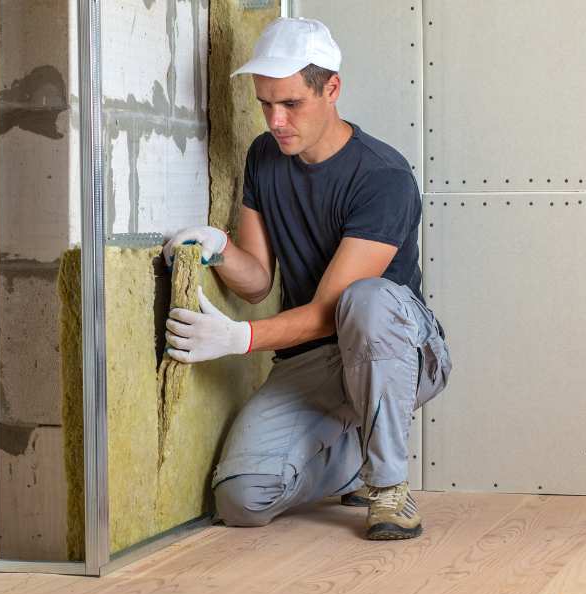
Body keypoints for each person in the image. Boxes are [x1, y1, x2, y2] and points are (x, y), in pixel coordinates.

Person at [162, 17, 452, 540]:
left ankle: (388, 491)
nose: (275, 120)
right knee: (241, 498)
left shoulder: (382, 177)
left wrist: (238, 337)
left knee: (364, 301)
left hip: (397, 347)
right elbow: (255, 283)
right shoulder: (264, 158)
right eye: (265, 103)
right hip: (314, 357)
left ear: (332, 88)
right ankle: (351, 458)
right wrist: (220, 249)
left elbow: (328, 312)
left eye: (291, 103)